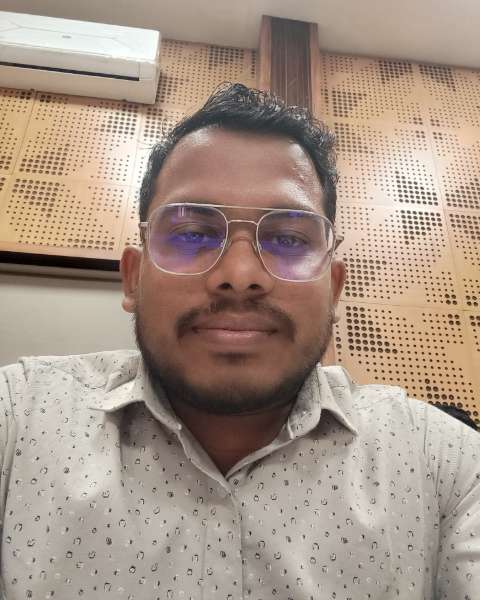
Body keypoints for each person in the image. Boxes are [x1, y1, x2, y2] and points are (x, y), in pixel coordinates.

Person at [0, 83, 479, 600]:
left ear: (334, 288)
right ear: (133, 278)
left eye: (289, 238)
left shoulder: (446, 464)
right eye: (192, 232)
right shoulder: (20, 418)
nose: (240, 274)